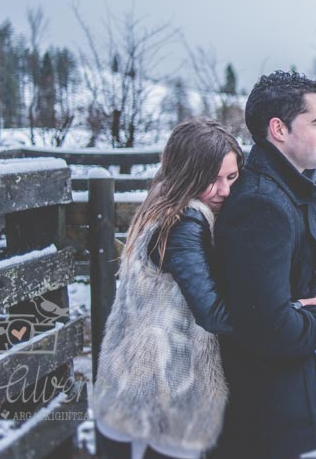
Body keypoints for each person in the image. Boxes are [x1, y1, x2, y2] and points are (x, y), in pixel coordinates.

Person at [92, 118, 243, 459]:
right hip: (160, 404)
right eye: (211, 180)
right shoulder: (185, 225)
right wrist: (281, 315)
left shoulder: (160, 206)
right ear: (187, 176)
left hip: (129, 389)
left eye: (231, 177)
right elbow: (213, 314)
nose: (225, 191)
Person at [212, 71, 316, 459]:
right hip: (258, 412)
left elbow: (298, 281)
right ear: (278, 129)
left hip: (276, 396)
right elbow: (268, 327)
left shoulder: (290, 189)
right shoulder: (262, 204)